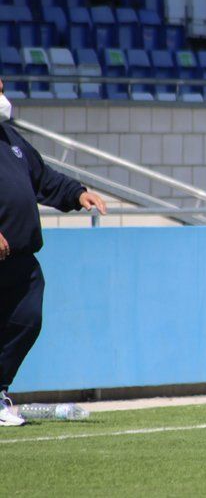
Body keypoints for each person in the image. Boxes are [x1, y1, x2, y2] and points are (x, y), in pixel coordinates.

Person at [0, 77, 107, 426]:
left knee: (27, 320)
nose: (4, 97)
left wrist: (77, 194)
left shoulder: (11, 140)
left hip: (20, 259)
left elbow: (43, 178)